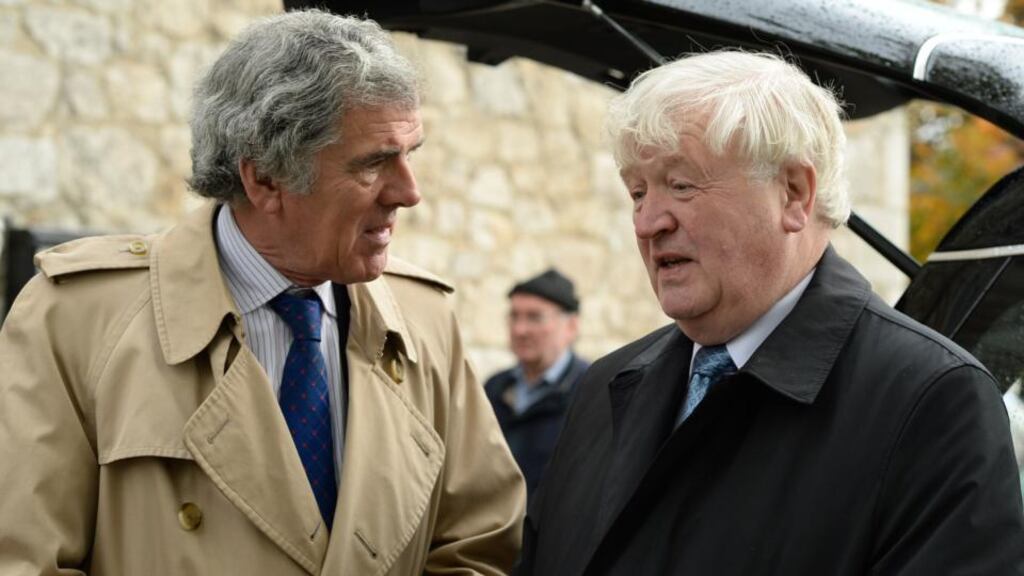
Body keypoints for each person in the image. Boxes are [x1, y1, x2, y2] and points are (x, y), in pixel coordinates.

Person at [0, 10, 524, 576]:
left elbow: (480, 544)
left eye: (409, 154)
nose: (409, 192)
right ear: (265, 179)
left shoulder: (426, 320)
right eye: (374, 163)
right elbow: (23, 558)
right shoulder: (76, 318)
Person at [518, 51, 1024, 575]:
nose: (648, 223)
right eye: (638, 192)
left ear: (794, 194)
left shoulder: (931, 399)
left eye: (682, 184)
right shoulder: (606, 387)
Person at [484, 269, 590, 497]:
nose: (519, 330)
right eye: (514, 316)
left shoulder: (590, 391)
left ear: (571, 326)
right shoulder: (494, 388)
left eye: (534, 317)